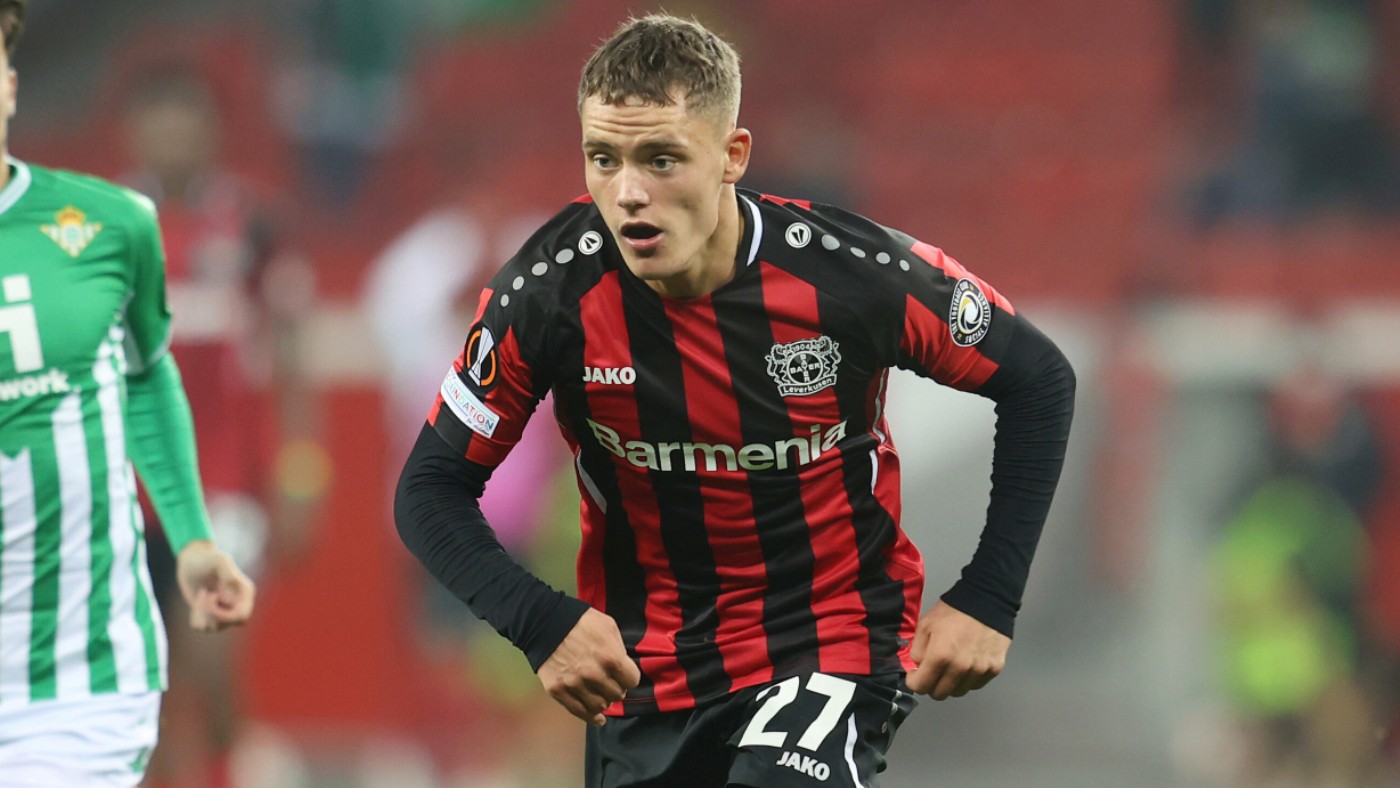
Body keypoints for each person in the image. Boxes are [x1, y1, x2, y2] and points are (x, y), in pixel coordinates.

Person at [395, 13, 1075, 787]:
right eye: (604, 159)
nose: (630, 194)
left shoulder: (849, 275)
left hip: (828, 645)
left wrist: (989, 596)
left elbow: (1038, 379)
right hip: (646, 679)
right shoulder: (549, 293)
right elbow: (429, 488)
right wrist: (542, 622)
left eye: (661, 159)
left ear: (732, 155)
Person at [0, 3, 256, 786]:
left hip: (215, 482)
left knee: (212, 675)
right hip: (107, 506)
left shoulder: (131, 226)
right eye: (158, 117)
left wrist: (297, 471)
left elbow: (271, 351)